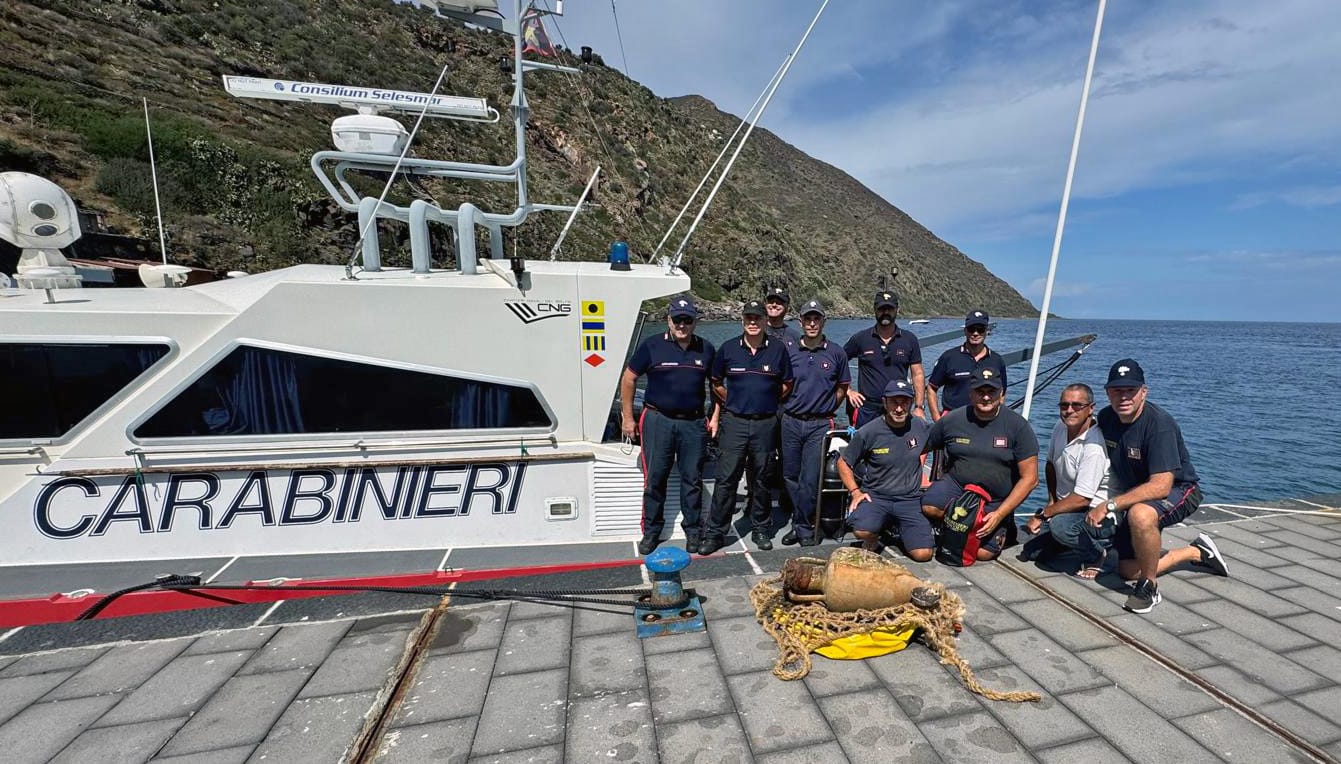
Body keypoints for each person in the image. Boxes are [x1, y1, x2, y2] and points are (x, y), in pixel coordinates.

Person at [1096, 359, 1229, 613]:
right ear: (1107, 393)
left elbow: (1161, 486)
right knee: (1127, 571)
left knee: (1140, 514)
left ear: (1143, 392)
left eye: (1130, 390)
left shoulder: (1159, 425)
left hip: (1179, 490)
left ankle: (1149, 588)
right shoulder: (1105, 418)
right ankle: (1195, 553)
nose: (1123, 397)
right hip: (1136, 493)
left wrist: (1110, 505)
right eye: (1117, 390)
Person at [621, 295, 718, 555]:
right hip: (657, 420)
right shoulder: (652, 346)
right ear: (669, 320)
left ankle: (693, 531)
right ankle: (651, 531)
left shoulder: (706, 349)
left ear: (695, 322)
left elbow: (717, 386)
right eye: (678, 319)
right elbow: (629, 379)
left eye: (687, 320)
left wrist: (716, 415)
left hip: (693, 423)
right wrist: (627, 417)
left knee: (692, 480)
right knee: (654, 479)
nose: (682, 325)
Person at [700, 300, 794, 554]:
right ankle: (716, 532)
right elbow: (716, 380)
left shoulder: (777, 349)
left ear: (765, 321)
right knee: (726, 478)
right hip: (735, 422)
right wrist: (730, 400)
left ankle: (761, 528)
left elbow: (787, 383)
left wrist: (769, 399)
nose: (753, 322)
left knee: (761, 479)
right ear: (742, 320)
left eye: (757, 318)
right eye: (748, 318)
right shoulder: (729, 349)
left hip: (765, 423)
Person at [922, 367, 1038, 561]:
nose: (985, 397)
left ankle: (1002, 525)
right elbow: (921, 447)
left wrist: (1000, 514)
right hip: (958, 486)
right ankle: (956, 528)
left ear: (1001, 394)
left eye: (991, 392)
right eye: (980, 392)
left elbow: (1030, 479)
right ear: (970, 393)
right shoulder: (953, 420)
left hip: (996, 496)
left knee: (983, 554)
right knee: (929, 506)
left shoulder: (1018, 426)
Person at [1021, 384, 1112, 577]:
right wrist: (1052, 501)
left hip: (1095, 512)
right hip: (1068, 506)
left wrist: (1042, 515)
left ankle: (1097, 553)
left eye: (1077, 405)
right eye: (1064, 405)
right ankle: (1071, 542)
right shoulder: (1061, 427)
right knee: (1033, 553)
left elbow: (1082, 499)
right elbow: (1051, 465)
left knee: (1060, 527)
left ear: (1091, 408)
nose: (1069, 410)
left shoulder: (1093, 446)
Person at [779, 300, 850, 547]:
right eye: (807, 319)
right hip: (791, 421)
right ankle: (801, 522)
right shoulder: (788, 351)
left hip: (819, 424)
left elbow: (843, 386)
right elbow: (781, 383)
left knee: (810, 478)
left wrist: (830, 406)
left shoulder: (837, 352)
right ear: (800, 322)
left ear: (823, 322)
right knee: (790, 475)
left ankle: (802, 526)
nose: (811, 323)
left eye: (816, 319)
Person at [839, 380, 934, 560]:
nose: (899, 409)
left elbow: (938, 442)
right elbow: (843, 463)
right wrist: (855, 492)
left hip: (909, 499)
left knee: (923, 555)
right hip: (877, 497)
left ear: (911, 403)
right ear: (885, 402)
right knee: (862, 531)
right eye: (894, 402)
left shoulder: (920, 426)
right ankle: (875, 537)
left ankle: (899, 528)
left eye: (904, 403)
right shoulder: (869, 431)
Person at [843, 291, 924, 427]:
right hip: (867, 409)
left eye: (890, 309)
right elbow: (838, 362)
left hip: (898, 409)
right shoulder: (861, 338)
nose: (885, 312)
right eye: (881, 309)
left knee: (898, 446)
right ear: (875, 309)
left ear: (897, 310)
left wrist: (919, 406)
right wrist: (847, 390)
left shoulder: (909, 339)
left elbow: (918, 374)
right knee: (865, 448)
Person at [926, 309, 1006, 421]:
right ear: (965, 331)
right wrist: (937, 419)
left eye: (980, 329)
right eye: (971, 329)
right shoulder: (949, 357)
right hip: (953, 419)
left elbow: (1002, 393)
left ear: (987, 331)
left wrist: (998, 418)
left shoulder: (997, 360)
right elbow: (931, 388)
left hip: (985, 421)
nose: (975, 333)